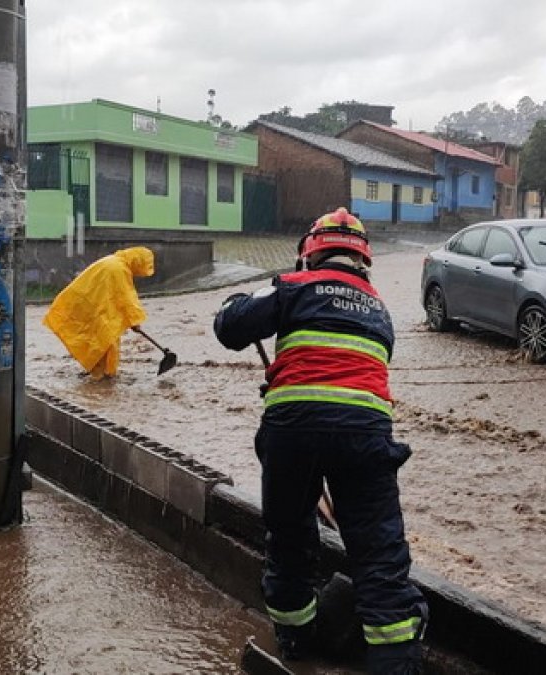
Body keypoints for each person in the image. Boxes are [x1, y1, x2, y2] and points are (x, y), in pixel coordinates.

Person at [213, 208, 428, 674]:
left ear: (309, 252)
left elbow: (231, 327)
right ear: (363, 261)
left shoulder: (294, 286)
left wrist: (238, 300)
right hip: (366, 435)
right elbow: (347, 369)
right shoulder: (379, 308)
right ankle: (394, 664)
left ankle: (296, 644)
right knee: (379, 556)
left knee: (289, 540)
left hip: (292, 431)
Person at [43, 246, 155, 380]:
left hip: (86, 305)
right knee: (106, 341)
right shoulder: (119, 269)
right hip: (92, 307)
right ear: (138, 262)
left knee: (97, 341)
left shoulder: (112, 261)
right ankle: (103, 378)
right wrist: (134, 321)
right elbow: (126, 297)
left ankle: (97, 377)